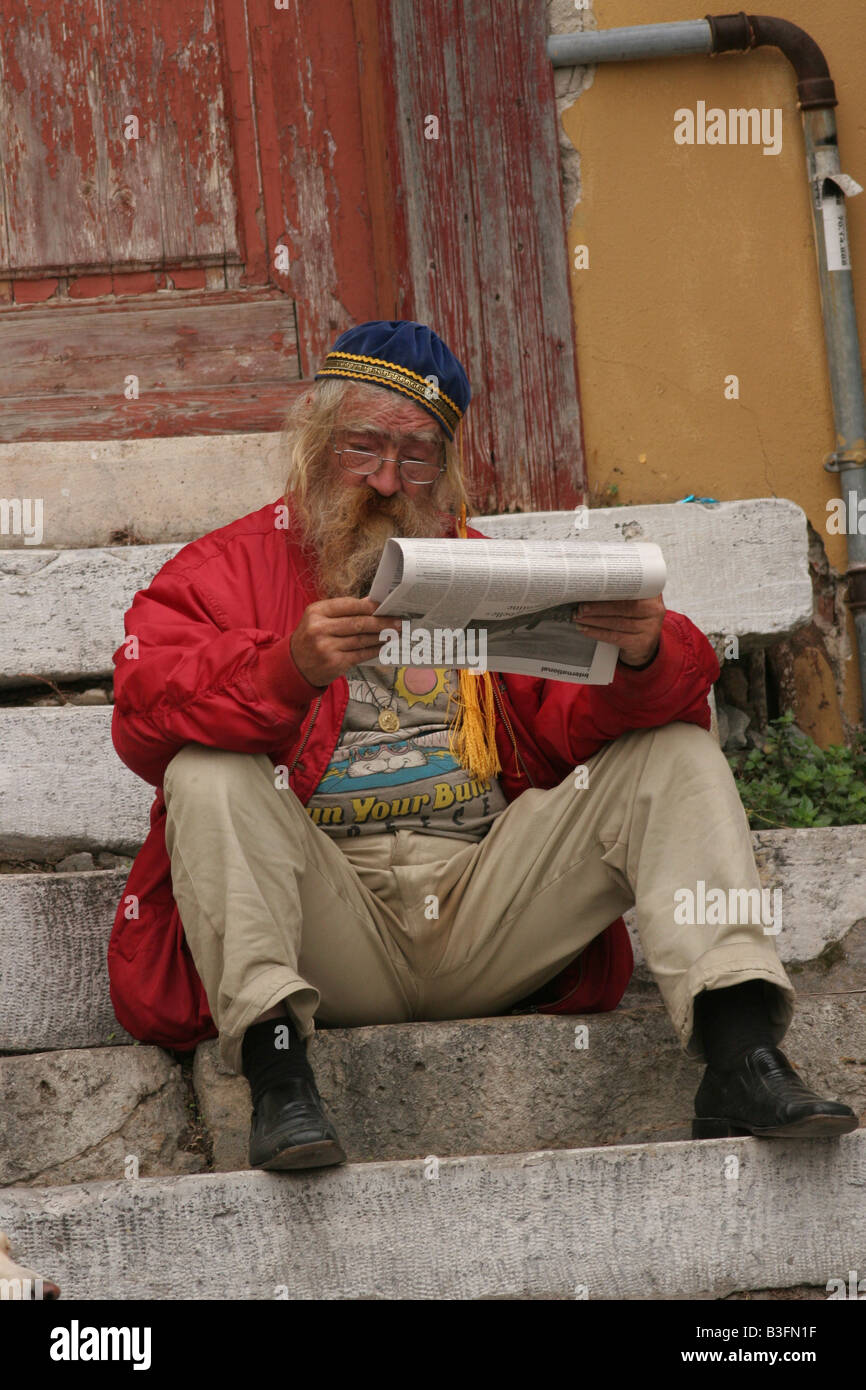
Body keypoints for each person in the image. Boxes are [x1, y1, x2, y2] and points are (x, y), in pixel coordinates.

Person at [108, 319, 857, 1170]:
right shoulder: (220, 571)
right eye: (363, 447)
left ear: (448, 469)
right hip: (326, 921)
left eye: (417, 457)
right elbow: (141, 713)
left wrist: (650, 650)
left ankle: (741, 1053)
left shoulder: (487, 572)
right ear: (314, 445)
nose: (388, 480)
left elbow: (589, 725)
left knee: (676, 756)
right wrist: (286, 669)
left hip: (485, 910)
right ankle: (279, 1079)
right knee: (206, 771)